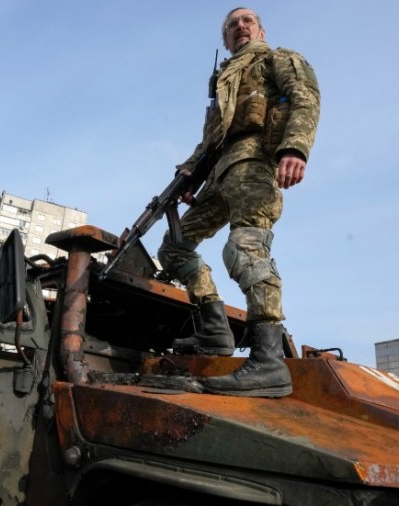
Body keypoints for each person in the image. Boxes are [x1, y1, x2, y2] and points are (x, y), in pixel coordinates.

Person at [157, 7, 320, 398]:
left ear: (260, 29)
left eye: (247, 21)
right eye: (232, 25)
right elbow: (210, 140)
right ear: (225, 39)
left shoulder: (276, 59)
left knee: (245, 246)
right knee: (174, 249)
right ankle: (215, 330)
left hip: (254, 160)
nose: (240, 27)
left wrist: (294, 148)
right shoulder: (224, 81)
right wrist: (188, 175)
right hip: (219, 172)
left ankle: (268, 362)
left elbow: (305, 98)